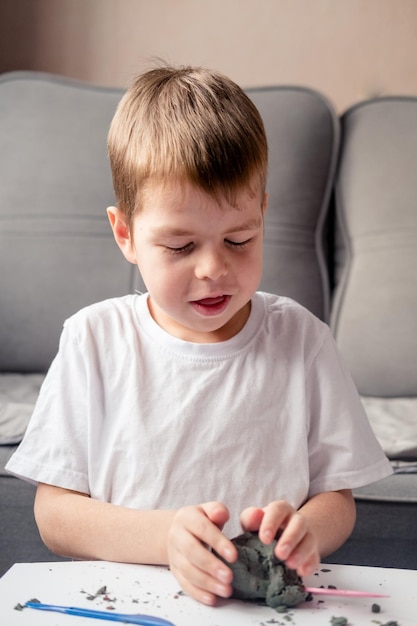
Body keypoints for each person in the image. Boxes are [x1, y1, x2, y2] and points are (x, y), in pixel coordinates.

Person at [6, 64, 392, 607]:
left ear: (262, 213)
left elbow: (338, 499)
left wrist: (307, 532)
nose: (213, 268)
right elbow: (54, 515)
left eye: (239, 239)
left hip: (260, 611)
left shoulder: (302, 340)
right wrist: (164, 538)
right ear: (126, 234)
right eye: (181, 247)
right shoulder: (94, 339)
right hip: (127, 601)